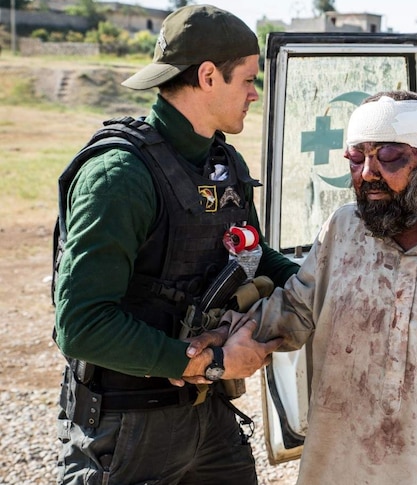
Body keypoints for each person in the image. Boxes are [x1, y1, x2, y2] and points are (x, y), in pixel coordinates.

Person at [204, 90, 417, 484]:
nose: (368, 173)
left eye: (388, 157)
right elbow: (295, 310)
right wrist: (224, 338)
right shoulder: (341, 230)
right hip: (343, 468)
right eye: (357, 158)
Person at [53, 5, 298, 484]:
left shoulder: (220, 162)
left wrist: (320, 286)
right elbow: (80, 324)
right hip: (128, 428)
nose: (254, 93)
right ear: (208, 76)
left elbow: (251, 253)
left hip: (209, 419)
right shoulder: (119, 177)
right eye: (248, 80)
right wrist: (211, 364)